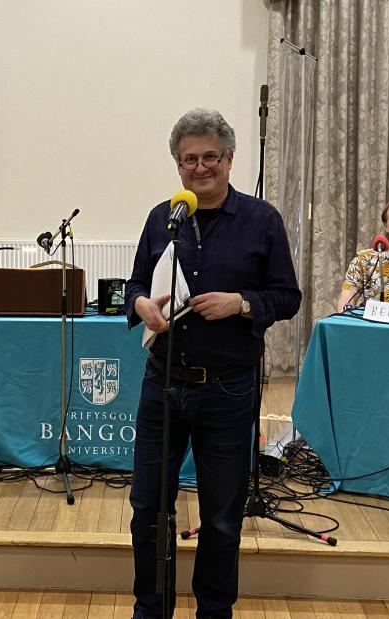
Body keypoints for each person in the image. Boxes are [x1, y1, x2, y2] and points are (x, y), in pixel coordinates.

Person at [125, 108, 301, 619]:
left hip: (228, 390)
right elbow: (135, 286)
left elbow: (287, 297)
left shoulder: (261, 220)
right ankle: (151, 609)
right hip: (163, 384)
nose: (199, 168)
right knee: (146, 512)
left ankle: (214, 612)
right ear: (177, 166)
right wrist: (141, 306)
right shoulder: (163, 218)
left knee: (222, 518)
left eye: (209, 158)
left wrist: (241, 303)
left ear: (229, 159)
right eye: (188, 160)